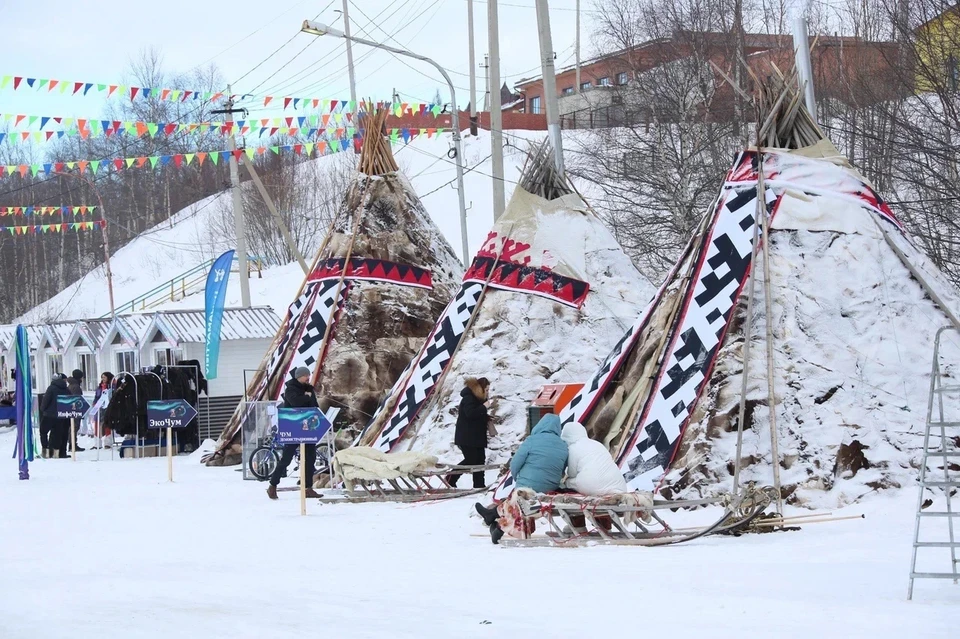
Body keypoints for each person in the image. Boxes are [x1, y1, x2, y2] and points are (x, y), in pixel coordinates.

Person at [476, 414, 569, 543]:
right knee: (523, 502)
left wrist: (518, 479)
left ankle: (493, 515)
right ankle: (497, 526)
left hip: (527, 487)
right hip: (550, 488)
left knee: (519, 497)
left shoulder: (532, 440)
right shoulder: (563, 446)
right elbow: (562, 469)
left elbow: (515, 464)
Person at [266, 367, 321, 501]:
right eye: (306, 375)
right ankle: (273, 485)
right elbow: (296, 402)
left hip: (308, 427)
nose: (308, 377)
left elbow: (314, 404)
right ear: (299, 376)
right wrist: (306, 397)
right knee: (287, 458)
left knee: (310, 458)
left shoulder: (309, 389)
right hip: (293, 427)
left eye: (309, 375)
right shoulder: (291, 388)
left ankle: (308, 487)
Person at [447, 377, 496, 489]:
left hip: (477, 436)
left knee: (480, 461)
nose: (488, 392)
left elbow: (476, 415)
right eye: (487, 390)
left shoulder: (479, 398)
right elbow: (470, 413)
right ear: (480, 389)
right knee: (471, 460)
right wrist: (484, 408)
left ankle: (479, 485)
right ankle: (451, 478)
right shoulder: (468, 398)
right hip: (467, 437)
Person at [560, 422, 628, 496]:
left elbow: (572, 473)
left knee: (568, 482)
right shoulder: (597, 444)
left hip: (592, 486)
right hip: (619, 486)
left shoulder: (572, 448)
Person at [39, 373, 70, 458]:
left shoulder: (51, 388)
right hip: (60, 415)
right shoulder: (66, 389)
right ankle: (56, 453)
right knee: (57, 434)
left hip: (49, 415)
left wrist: (42, 409)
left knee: (43, 432)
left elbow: (46, 400)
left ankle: (45, 452)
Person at [65, 369, 85, 452]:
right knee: (74, 427)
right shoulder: (76, 386)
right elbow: (76, 399)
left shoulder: (71, 385)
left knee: (72, 427)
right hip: (74, 410)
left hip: (71, 408)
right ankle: (72, 444)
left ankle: (72, 444)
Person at [94, 372, 115, 447]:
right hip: (99, 407)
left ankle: (108, 442)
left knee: (107, 424)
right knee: (97, 424)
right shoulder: (99, 387)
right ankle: (97, 443)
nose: (103, 379)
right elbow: (96, 397)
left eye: (104, 377)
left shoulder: (112, 386)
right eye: (102, 377)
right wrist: (94, 404)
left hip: (108, 407)